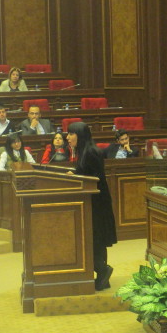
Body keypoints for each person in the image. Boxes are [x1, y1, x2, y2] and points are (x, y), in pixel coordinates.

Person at [66, 122, 117, 291]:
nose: (67, 138)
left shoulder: (91, 152)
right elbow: (88, 173)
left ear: (80, 135)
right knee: (96, 240)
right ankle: (103, 276)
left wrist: (76, 176)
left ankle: (103, 270)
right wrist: (76, 174)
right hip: (93, 202)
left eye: (71, 134)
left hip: (97, 204)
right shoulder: (85, 151)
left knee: (95, 239)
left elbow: (95, 179)